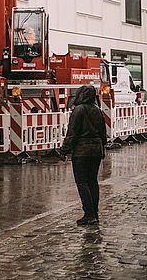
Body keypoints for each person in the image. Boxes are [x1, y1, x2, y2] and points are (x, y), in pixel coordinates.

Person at [60, 85, 107, 226]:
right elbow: (103, 133)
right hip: (96, 150)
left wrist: (65, 149)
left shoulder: (78, 110)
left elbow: (72, 132)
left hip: (82, 151)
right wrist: (101, 146)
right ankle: (95, 213)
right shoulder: (98, 111)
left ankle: (89, 214)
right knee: (93, 181)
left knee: (82, 182)